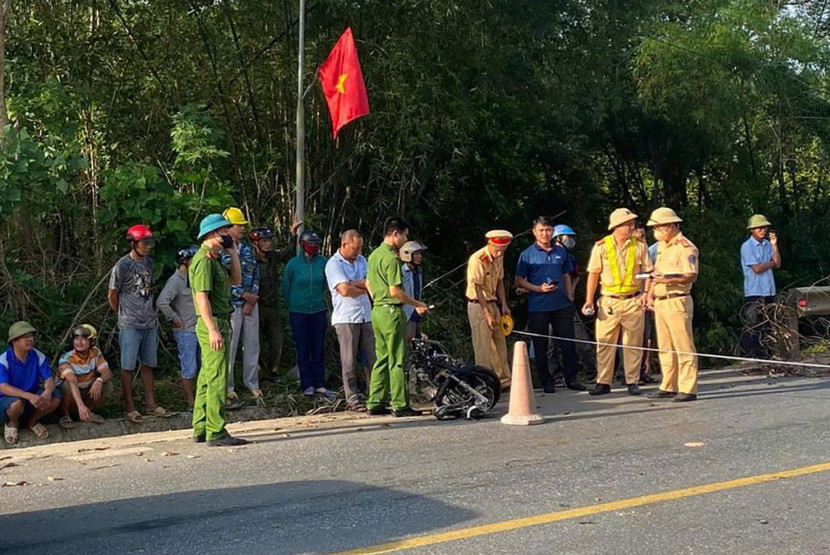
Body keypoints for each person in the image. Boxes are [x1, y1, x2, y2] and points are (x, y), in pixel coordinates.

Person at [190, 213, 247, 446]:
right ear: (213, 234)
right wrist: (212, 328)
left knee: (207, 376)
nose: (229, 234)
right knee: (217, 378)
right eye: (224, 232)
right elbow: (201, 297)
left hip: (219, 320)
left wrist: (232, 253)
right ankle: (216, 430)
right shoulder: (203, 261)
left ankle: (201, 426)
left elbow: (236, 280)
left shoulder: (214, 258)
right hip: (213, 322)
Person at [583, 208, 653, 396]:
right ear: (616, 227)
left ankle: (632, 380)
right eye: (627, 224)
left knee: (633, 342)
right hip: (609, 301)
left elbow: (648, 272)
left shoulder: (640, 245)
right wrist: (589, 300)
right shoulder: (602, 246)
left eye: (632, 223)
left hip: (633, 299)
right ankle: (603, 381)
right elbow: (593, 274)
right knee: (605, 342)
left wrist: (646, 293)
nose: (632, 227)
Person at [108, 224, 172, 423]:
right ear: (134, 243)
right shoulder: (122, 265)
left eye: (149, 243)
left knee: (148, 364)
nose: (148, 247)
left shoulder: (149, 263)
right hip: (130, 323)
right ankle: (129, 407)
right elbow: (112, 294)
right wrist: (122, 313)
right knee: (128, 366)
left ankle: (151, 404)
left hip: (149, 322)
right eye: (144, 243)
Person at [365, 217, 429, 416]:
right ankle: (400, 404)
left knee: (382, 358)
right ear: (395, 234)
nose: (405, 240)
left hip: (377, 311)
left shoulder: (374, 255)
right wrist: (417, 304)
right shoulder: (392, 259)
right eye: (404, 235)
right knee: (398, 358)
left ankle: (375, 401)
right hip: (392, 312)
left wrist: (378, 298)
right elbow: (395, 291)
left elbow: (368, 283)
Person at [515, 216, 584, 393]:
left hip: (562, 304)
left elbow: (567, 275)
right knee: (541, 346)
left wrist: (570, 297)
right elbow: (519, 280)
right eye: (541, 230)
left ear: (553, 231)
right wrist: (537, 288)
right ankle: (547, 380)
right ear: (534, 232)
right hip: (538, 306)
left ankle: (571, 378)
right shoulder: (527, 254)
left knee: (568, 343)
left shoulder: (561, 252)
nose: (545, 234)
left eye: (548, 230)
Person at [645, 207, 700, 402]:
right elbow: (655, 273)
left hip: (677, 300)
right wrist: (650, 294)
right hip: (661, 301)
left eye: (658, 227)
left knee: (683, 345)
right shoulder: (661, 247)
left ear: (670, 226)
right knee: (665, 346)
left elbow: (691, 274)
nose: (656, 231)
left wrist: (668, 279)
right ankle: (668, 384)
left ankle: (688, 388)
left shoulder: (685, 247)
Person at [325, 229, 375, 411]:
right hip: (346, 317)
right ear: (344, 245)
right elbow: (344, 290)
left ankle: (375, 394)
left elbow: (374, 283)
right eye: (355, 248)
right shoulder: (334, 264)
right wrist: (364, 286)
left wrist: (355, 283)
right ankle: (352, 398)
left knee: (372, 357)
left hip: (366, 314)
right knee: (349, 360)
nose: (358, 252)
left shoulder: (362, 260)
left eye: (360, 248)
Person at [283, 229, 334, 399]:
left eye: (315, 244)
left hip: (318, 310)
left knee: (318, 347)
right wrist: (292, 304)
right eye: (309, 244)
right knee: (303, 348)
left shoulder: (323, 262)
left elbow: (326, 284)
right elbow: (286, 288)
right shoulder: (293, 265)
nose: (313, 247)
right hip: (298, 311)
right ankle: (307, 384)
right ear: (301, 245)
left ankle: (320, 384)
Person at [249, 221, 301, 385]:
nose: (268, 243)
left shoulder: (272, 257)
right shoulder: (248, 259)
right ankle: (261, 374)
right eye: (264, 241)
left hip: (272, 306)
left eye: (269, 240)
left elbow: (287, 253)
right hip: (255, 306)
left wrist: (293, 235)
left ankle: (272, 371)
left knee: (277, 339)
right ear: (255, 242)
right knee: (254, 342)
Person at [221, 207, 262, 404]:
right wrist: (243, 295)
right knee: (231, 347)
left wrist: (251, 297)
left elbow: (255, 272)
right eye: (239, 225)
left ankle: (252, 384)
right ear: (228, 227)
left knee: (252, 345)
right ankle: (228, 387)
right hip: (231, 305)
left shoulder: (246, 248)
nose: (242, 229)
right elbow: (222, 280)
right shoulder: (219, 250)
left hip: (250, 304)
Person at [466, 230, 513, 389]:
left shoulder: (499, 257)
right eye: (497, 249)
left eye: (504, 249)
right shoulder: (478, 259)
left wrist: (504, 305)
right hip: (478, 305)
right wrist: (487, 314)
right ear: (490, 244)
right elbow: (477, 288)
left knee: (500, 342)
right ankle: (483, 383)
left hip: (493, 303)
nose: (500, 252)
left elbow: (500, 282)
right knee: (483, 346)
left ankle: (504, 381)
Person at [0, 321, 61, 444]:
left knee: (55, 397)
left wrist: (48, 392)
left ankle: (32, 421)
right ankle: (12, 423)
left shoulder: (38, 356)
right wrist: (29, 396)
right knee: (16, 404)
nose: (30, 339)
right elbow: (4, 387)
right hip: (8, 399)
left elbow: (48, 378)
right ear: (14, 341)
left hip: (31, 395)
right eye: (25, 337)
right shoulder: (4, 359)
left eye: (31, 336)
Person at [550, 224, 597, 381]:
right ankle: (556, 377)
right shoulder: (543, 255)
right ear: (558, 238)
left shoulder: (570, 258)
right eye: (567, 237)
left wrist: (571, 291)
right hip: (548, 304)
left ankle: (591, 372)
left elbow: (575, 275)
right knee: (550, 344)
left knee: (581, 340)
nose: (570, 240)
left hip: (567, 304)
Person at [157, 245, 200, 407]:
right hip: (185, 331)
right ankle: (191, 401)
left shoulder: (194, 278)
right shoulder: (176, 281)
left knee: (202, 365)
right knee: (189, 367)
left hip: (198, 328)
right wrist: (175, 318)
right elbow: (162, 302)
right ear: (186, 261)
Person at [740, 214, 781, 357]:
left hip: (768, 290)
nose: (762, 230)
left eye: (764, 227)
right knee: (752, 324)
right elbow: (757, 269)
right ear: (751, 230)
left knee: (767, 324)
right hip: (754, 291)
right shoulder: (747, 246)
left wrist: (774, 245)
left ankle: (765, 354)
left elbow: (778, 263)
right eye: (758, 228)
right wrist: (770, 263)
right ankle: (748, 355)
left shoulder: (768, 245)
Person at [57, 325, 113, 428]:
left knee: (107, 385)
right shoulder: (66, 358)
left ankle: (88, 412)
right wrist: (80, 406)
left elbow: (107, 372)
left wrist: (100, 380)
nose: (79, 342)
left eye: (84, 339)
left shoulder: (96, 352)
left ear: (91, 341)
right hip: (72, 396)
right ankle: (64, 415)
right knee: (67, 385)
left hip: (86, 392)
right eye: (76, 339)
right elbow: (72, 381)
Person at [401, 240, 427, 339]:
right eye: (416, 253)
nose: (419, 256)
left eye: (420, 253)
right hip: (407, 314)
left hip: (417, 313)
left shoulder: (418, 271)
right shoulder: (402, 272)